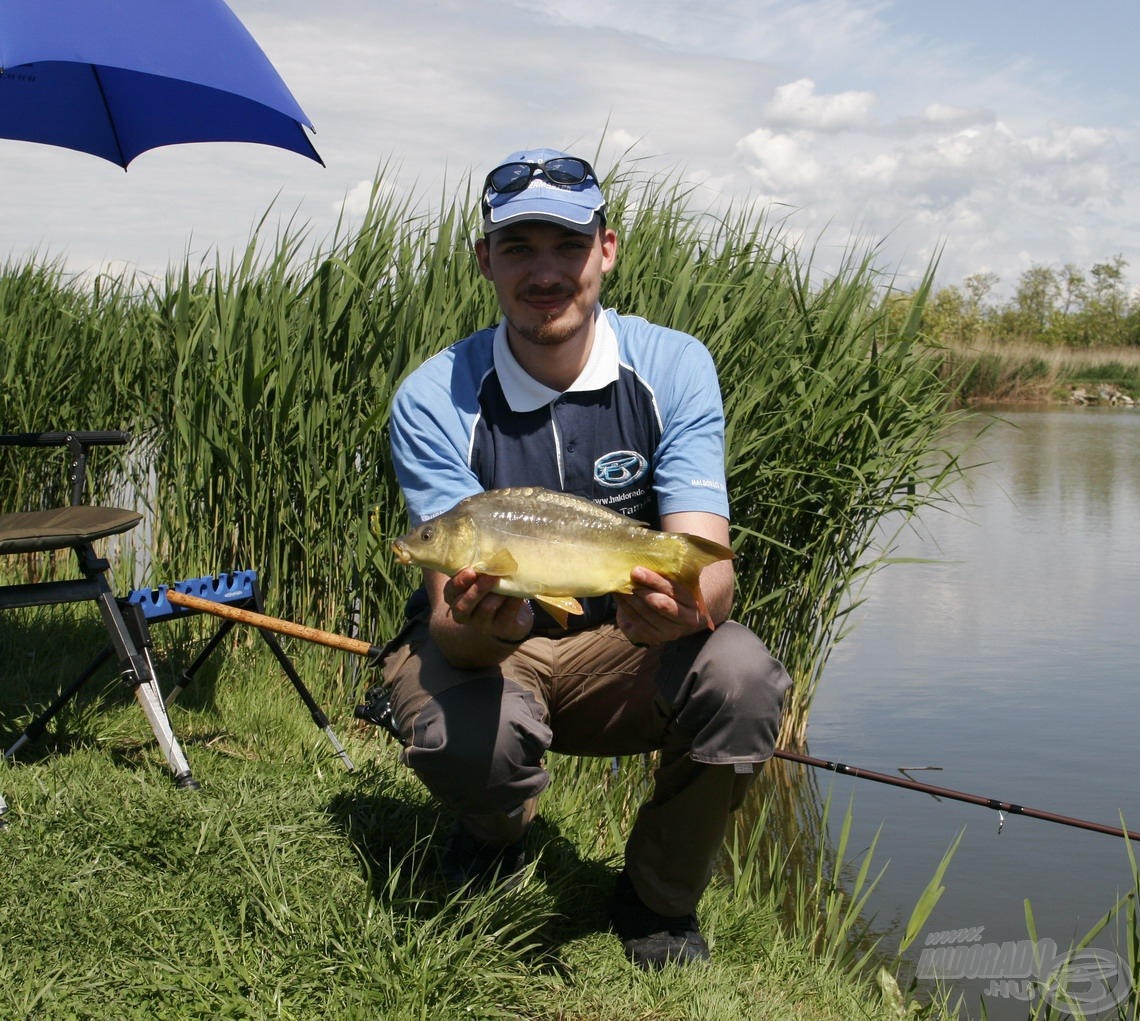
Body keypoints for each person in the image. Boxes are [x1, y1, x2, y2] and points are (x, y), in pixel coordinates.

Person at [377, 147, 791, 969]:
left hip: (627, 651)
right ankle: (499, 834)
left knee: (744, 674)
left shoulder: (673, 364)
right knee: (464, 733)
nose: (546, 271)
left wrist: (682, 608)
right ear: (484, 259)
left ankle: (657, 901)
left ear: (606, 249)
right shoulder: (434, 395)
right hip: (503, 653)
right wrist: (489, 625)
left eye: (567, 244)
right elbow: (451, 633)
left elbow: (708, 565)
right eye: (521, 247)